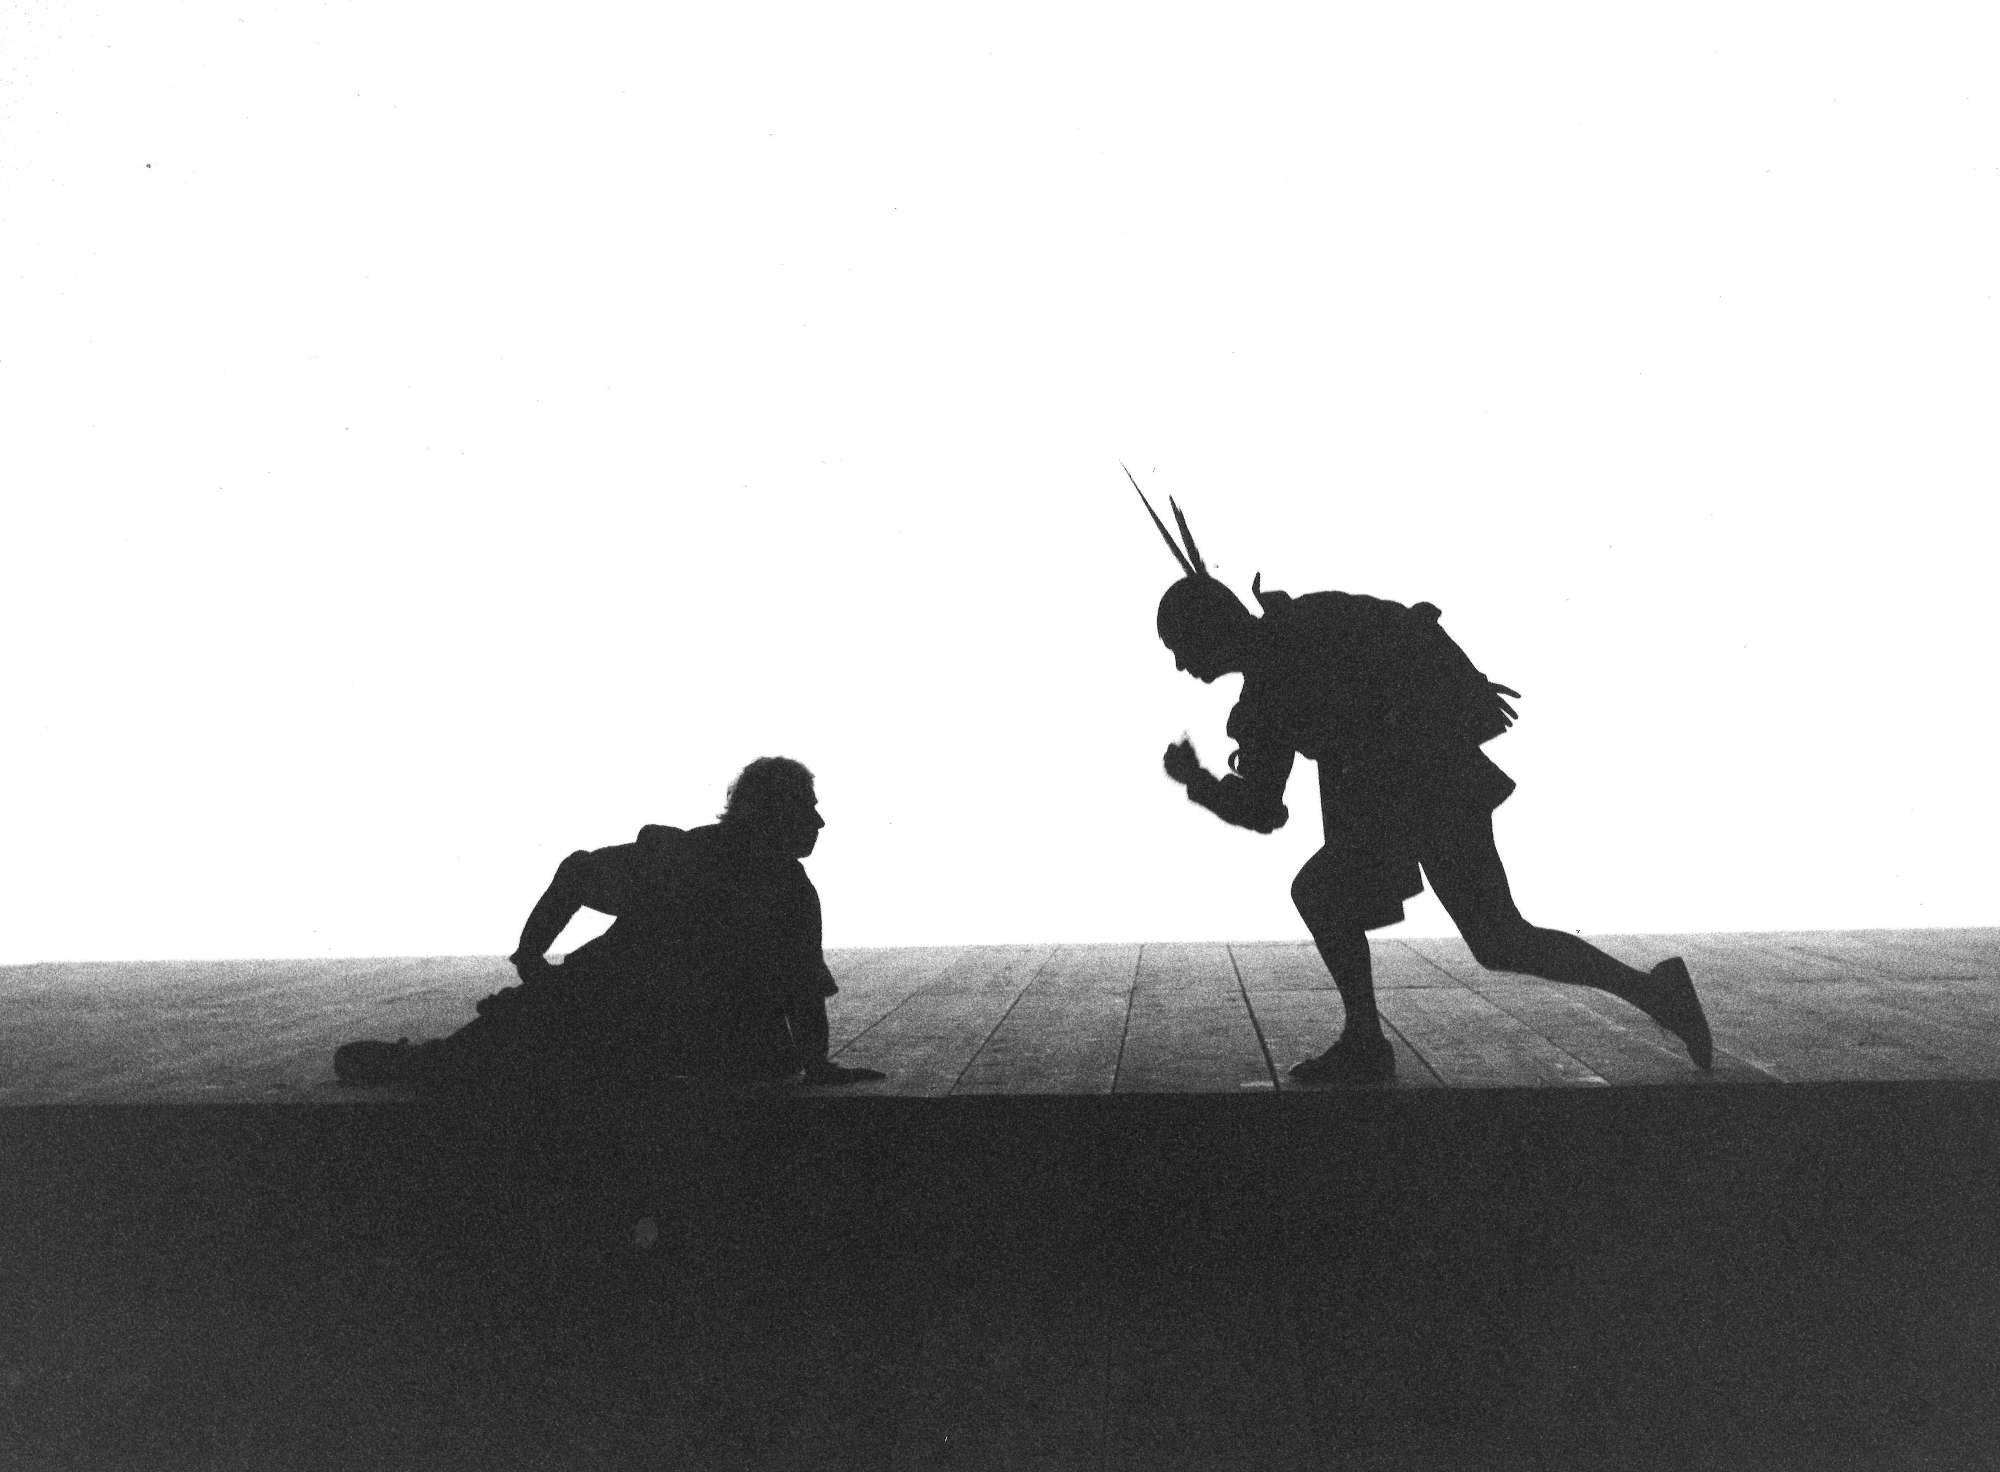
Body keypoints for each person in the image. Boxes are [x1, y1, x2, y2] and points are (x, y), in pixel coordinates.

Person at [1131, 475, 1713, 1085]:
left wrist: (1199, 782)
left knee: (1377, 907)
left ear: (1209, 630)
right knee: (1495, 936)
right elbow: (1268, 804)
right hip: (1424, 789)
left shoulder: (1283, 664)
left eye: (1179, 645)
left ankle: (1367, 1043)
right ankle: (1654, 992)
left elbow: (1267, 802)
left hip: (1423, 788)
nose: (1180, 662)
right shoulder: (1284, 663)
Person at [332, 756, 885, 1095]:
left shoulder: (711, 865)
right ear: (770, 816)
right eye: (805, 809)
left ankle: (412, 1060)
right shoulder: (754, 881)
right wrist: (817, 1065)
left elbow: (576, 873)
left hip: (617, 1022)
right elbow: (801, 992)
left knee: (490, 1058)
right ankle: (404, 1061)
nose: (818, 822)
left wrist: (531, 955)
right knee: (469, 1062)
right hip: (614, 1021)